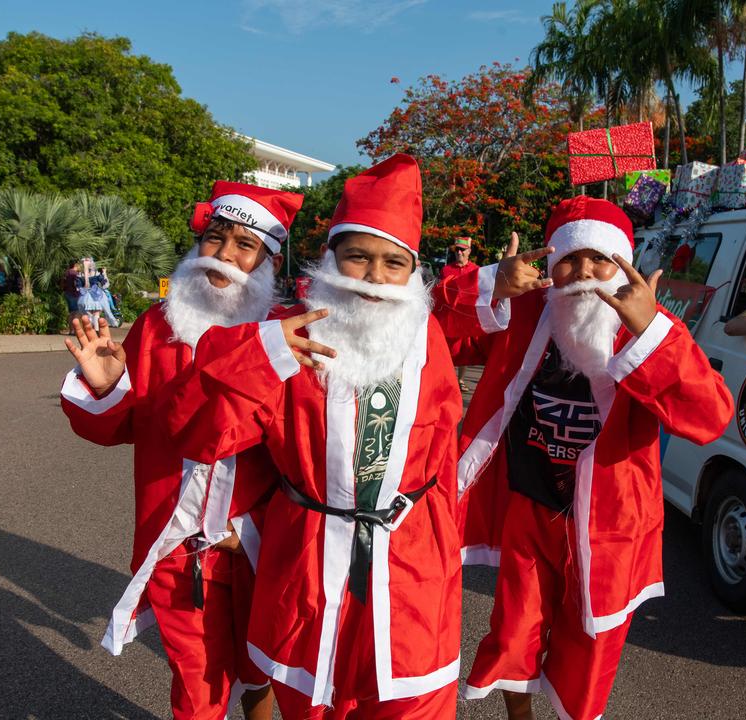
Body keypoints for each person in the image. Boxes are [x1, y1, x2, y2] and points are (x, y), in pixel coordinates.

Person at [161, 154, 463, 719]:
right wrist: (264, 356)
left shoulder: (431, 340)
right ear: (331, 259)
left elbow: (444, 455)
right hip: (306, 562)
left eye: (392, 263)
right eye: (358, 257)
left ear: (413, 272)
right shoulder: (282, 338)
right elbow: (198, 432)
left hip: (412, 571)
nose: (373, 277)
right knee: (311, 701)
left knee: (411, 702)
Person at [435, 197, 734, 720]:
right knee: (513, 633)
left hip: (610, 523)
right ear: (550, 264)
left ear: (622, 262)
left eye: (600, 258)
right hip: (529, 506)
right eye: (569, 259)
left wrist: (651, 332)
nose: (583, 273)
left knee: (592, 648)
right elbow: (434, 333)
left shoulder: (643, 323)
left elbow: (710, 417)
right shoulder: (526, 310)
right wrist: (488, 284)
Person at [60, 181, 304, 720]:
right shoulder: (157, 329)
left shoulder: (281, 336)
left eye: (245, 245)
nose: (225, 256)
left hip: (258, 540)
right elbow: (123, 426)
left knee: (261, 671)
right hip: (177, 540)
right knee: (197, 686)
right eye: (216, 239)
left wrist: (256, 527)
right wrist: (107, 386)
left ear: (268, 261)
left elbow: (302, 448)